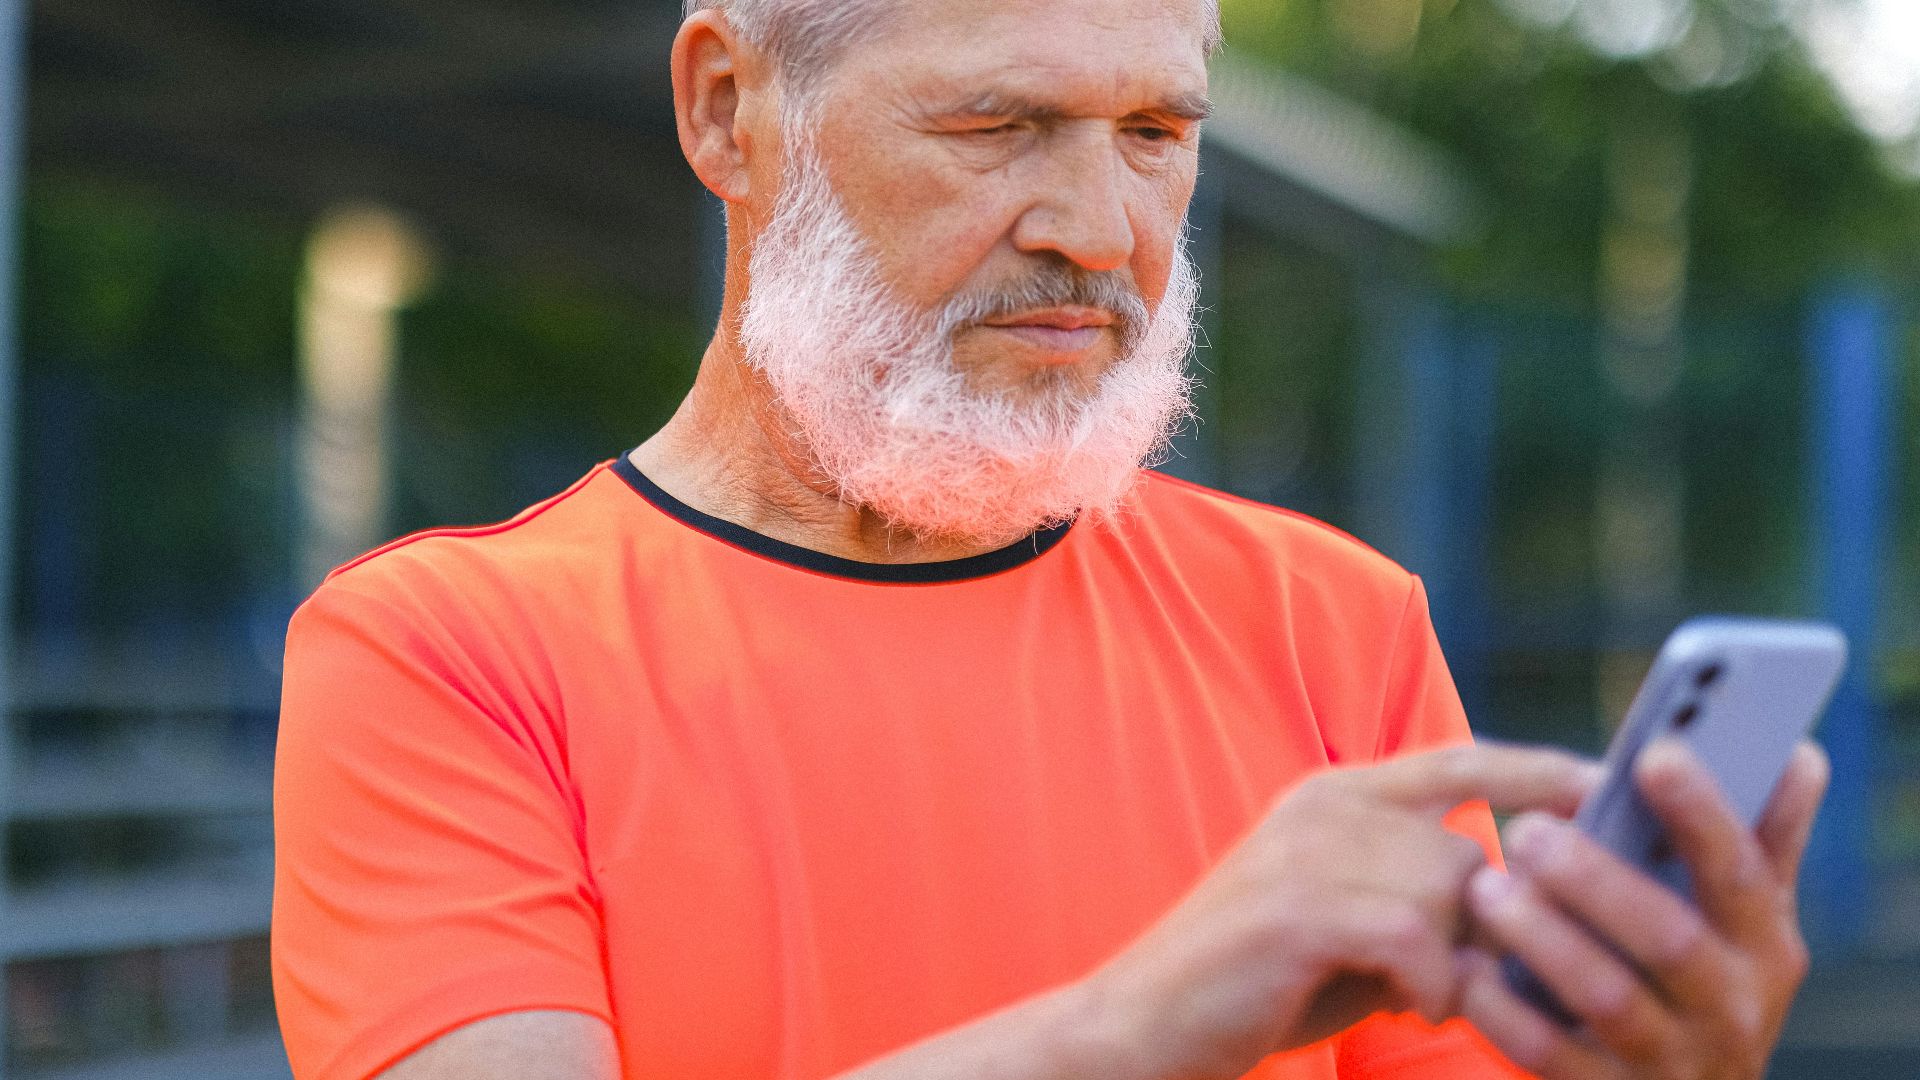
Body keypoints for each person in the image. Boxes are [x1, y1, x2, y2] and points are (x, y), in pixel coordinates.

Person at [270, 1, 1829, 1077]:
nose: (1101, 228)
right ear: (726, 109)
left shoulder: (1332, 622)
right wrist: (1141, 1025)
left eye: (1156, 131)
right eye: (996, 123)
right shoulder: (443, 654)